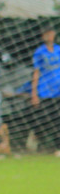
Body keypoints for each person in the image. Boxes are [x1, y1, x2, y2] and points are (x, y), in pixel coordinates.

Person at [31, 27, 60, 156]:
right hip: (45, 91)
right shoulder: (40, 52)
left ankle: (57, 148)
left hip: (58, 90)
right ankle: (37, 144)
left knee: (57, 120)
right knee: (44, 120)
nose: (50, 36)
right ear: (43, 36)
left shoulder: (58, 49)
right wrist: (34, 93)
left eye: (52, 33)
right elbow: (36, 73)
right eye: (47, 34)